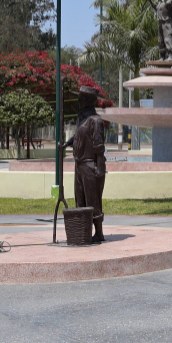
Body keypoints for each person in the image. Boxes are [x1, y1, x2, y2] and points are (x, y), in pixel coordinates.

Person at [70, 85, 109, 243]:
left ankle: (98, 233)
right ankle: (83, 232)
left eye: (81, 98)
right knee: (80, 199)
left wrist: (99, 167)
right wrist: (65, 144)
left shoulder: (95, 120)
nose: (79, 101)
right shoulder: (82, 119)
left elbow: (99, 146)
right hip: (79, 165)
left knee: (93, 200)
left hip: (90, 165)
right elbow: (77, 137)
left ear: (88, 100)